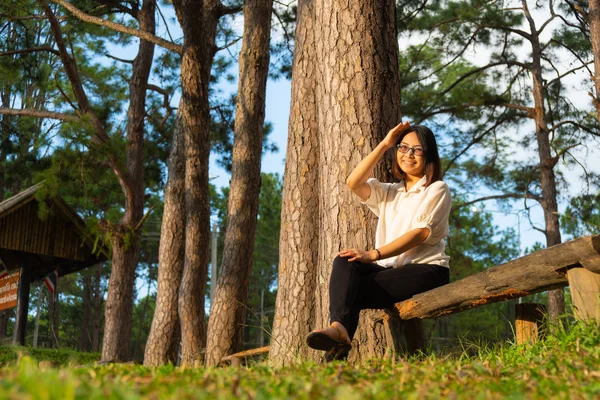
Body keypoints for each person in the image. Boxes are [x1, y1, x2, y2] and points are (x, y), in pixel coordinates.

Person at [305, 121, 452, 361]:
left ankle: (339, 339)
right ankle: (339, 330)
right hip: (392, 272)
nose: (409, 154)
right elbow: (353, 182)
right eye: (404, 148)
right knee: (344, 262)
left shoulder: (436, 189)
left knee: (350, 290)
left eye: (417, 150)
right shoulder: (390, 192)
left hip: (428, 271)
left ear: (429, 156)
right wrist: (385, 144)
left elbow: (420, 234)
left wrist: (374, 254)